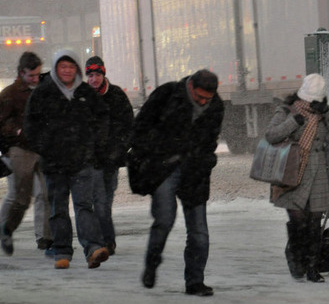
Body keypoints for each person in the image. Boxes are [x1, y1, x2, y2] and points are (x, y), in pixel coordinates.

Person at [128, 69, 224, 297]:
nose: (202, 102)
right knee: (164, 219)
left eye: (207, 99)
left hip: (195, 171)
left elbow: (211, 139)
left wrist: (205, 159)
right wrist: (157, 154)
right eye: (199, 97)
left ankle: (195, 281)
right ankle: (152, 263)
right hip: (164, 168)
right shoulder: (168, 94)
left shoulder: (216, 105)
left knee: (199, 232)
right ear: (190, 86)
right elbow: (140, 127)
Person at [23, 49, 110, 270]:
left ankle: (93, 248)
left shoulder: (86, 93)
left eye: (71, 67)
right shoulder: (43, 93)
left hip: (82, 161)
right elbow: (30, 126)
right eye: (63, 67)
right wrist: (45, 148)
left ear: (77, 69)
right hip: (54, 164)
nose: (67, 71)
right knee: (58, 208)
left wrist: (92, 147)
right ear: (55, 68)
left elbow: (101, 120)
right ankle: (62, 251)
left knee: (84, 206)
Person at [264, 73, 329, 283]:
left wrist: (327, 113)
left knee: (315, 222)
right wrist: (293, 122)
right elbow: (271, 135)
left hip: (319, 171)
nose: (311, 103)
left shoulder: (325, 112)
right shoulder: (287, 110)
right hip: (293, 171)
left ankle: (312, 267)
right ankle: (296, 257)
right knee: (299, 222)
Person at [0, 51, 53, 256]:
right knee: (20, 197)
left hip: (40, 149)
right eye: (31, 75)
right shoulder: (10, 94)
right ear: (21, 73)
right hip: (18, 149)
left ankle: (45, 238)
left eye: (37, 74)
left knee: (45, 193)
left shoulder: (42, 90)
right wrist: (17, 130)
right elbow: (2, 123)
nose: (35, 79)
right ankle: (5, 228)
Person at [85, 56, 134, 256]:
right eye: (90, 75)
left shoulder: (116, 96)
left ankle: (103, 238)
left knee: (106, 201)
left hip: (112, 160)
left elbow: (129, 127)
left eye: (97, 75)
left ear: (103, 75)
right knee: (100, 202)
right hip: (93, 160)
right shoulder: (83, 97)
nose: (93, 79)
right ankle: (107, 241)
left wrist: (119, 151)